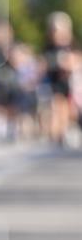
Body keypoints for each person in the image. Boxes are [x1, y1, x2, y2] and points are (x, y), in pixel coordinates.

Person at [43, 11, 75, 145]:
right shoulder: (50, 48)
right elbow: (47, 64)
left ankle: (62, 134)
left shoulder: (70, 47)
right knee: (55, 107)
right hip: (54, 83)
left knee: (65, 109)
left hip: (67, 83)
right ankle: (55, 136)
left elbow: (73, 62)